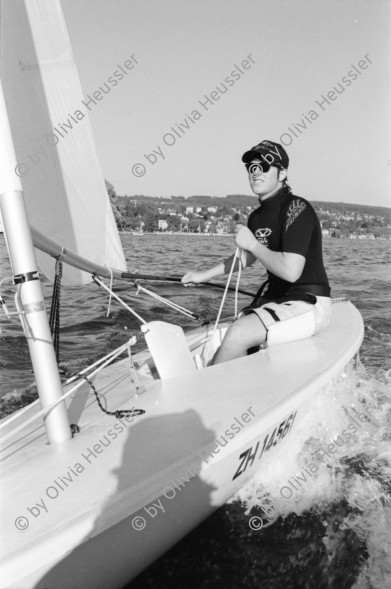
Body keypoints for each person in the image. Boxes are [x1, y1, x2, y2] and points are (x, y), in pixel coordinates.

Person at [181, 139, 331, 365]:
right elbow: (245, 258)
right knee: (221, 337)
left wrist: (252, 244)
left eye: (263, 167)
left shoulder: (297, 209)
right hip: (276, 300)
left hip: (308, 302)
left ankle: (214, 396)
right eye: (251, 168)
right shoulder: (257, 217)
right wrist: (204, 276)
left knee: (238, 333)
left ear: (282, 174)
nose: (255, 172)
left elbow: (291, 271)